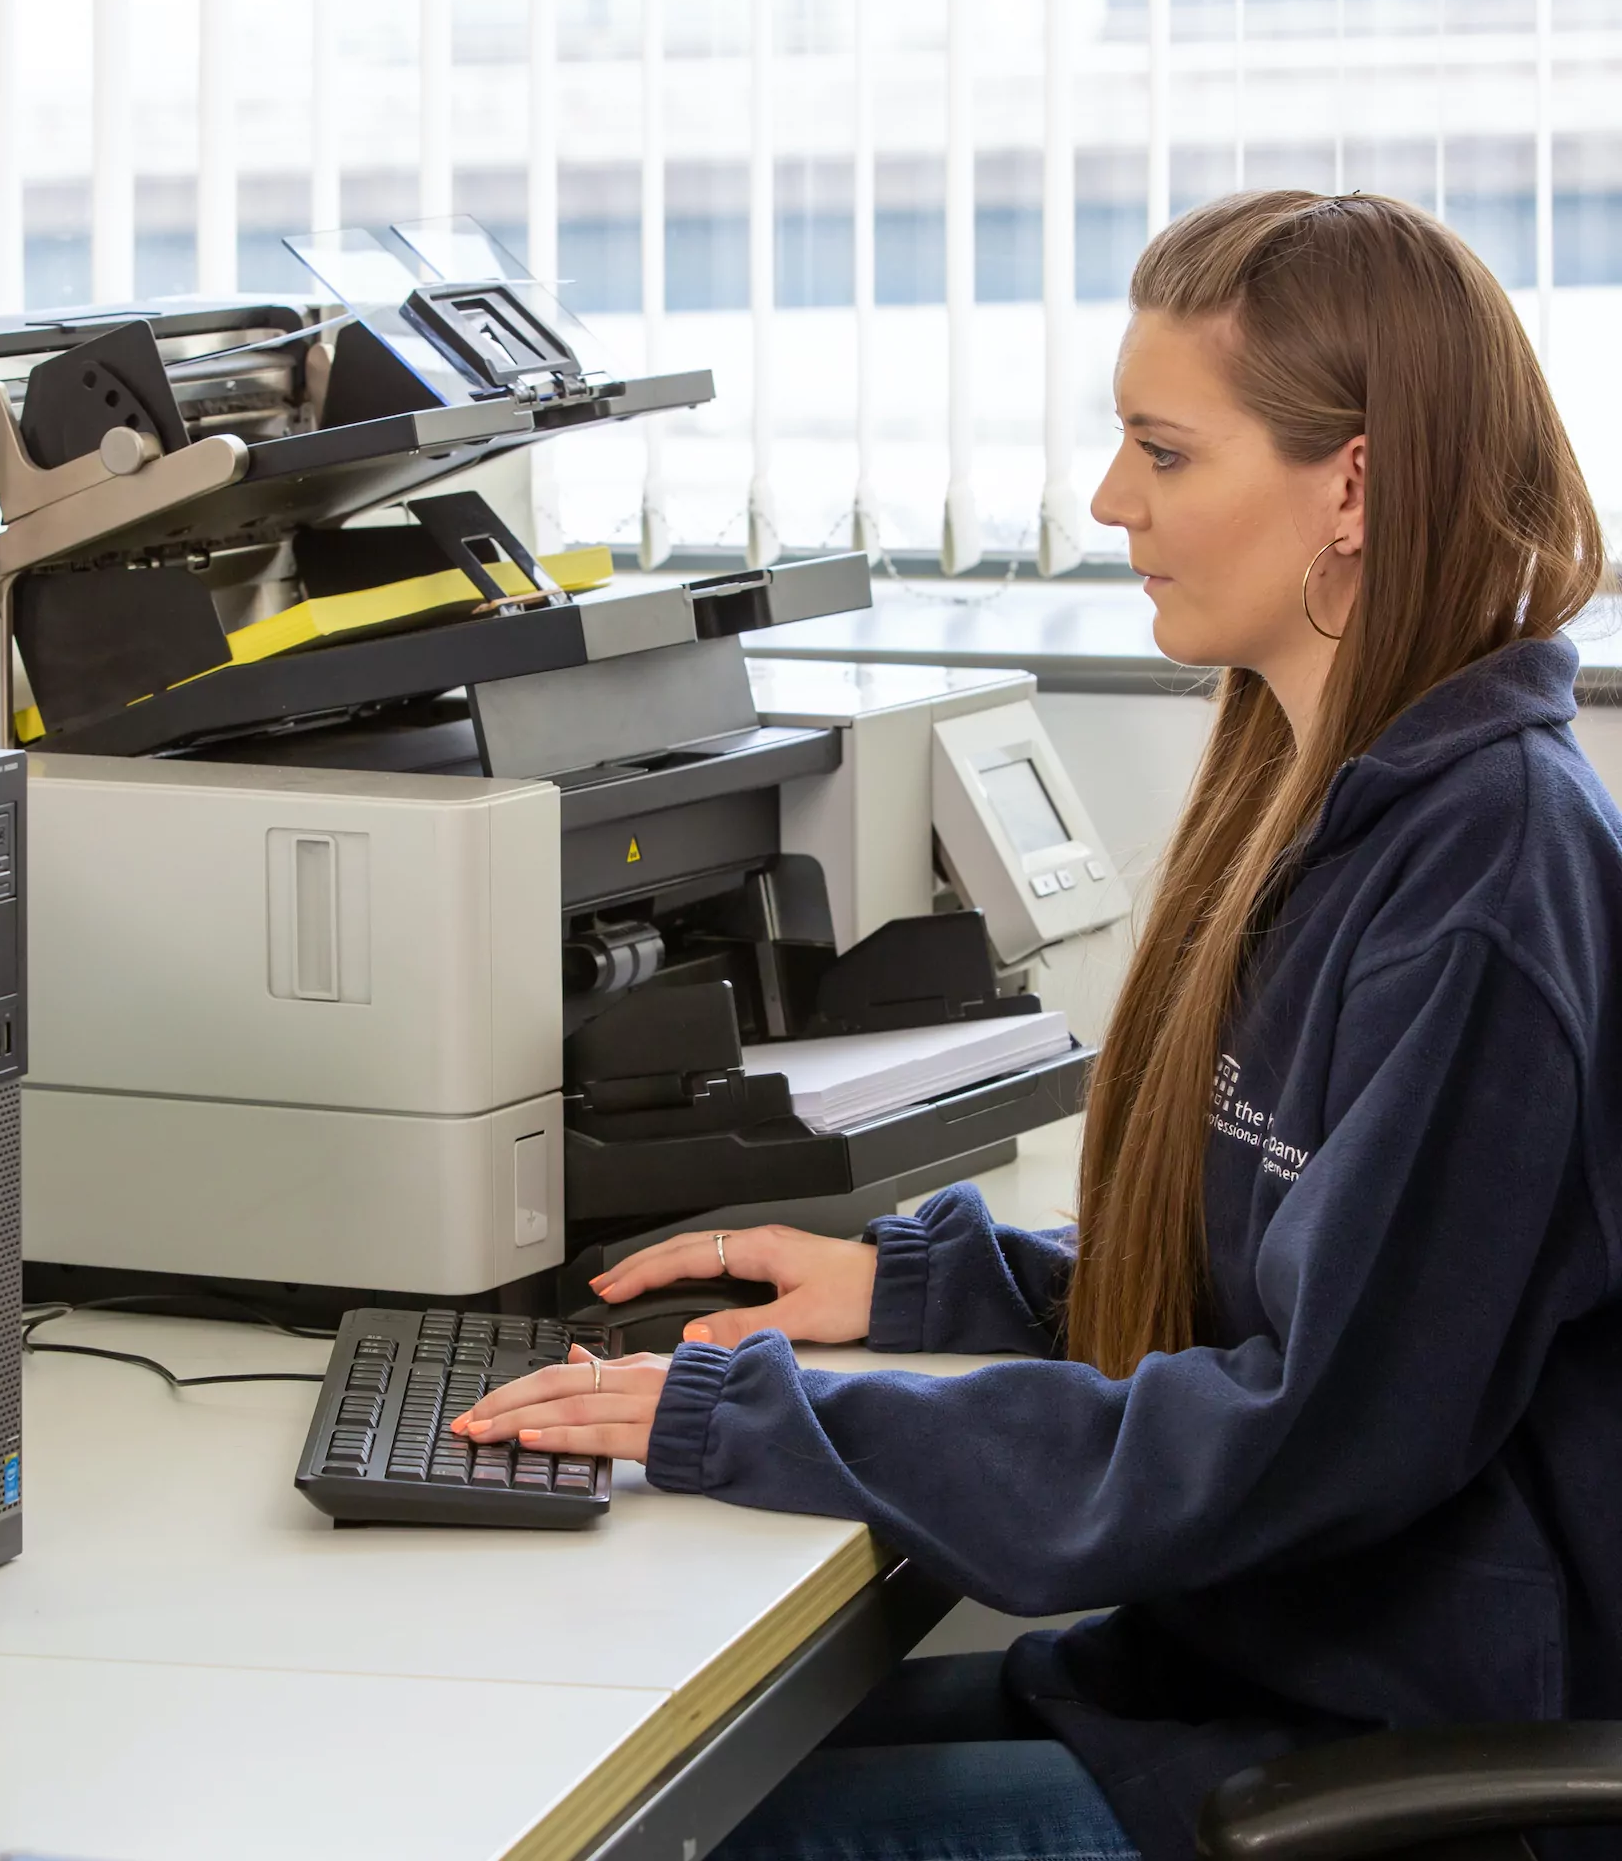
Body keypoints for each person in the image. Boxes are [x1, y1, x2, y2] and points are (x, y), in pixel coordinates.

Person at [454, 191, 1622, 1861]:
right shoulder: (1341, 796)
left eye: (1165, 452)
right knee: (593, 1783)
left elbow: (1312, 1429)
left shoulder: (1491, 875)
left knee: (683, 1838)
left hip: (1384, 1742)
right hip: (1244, 1673)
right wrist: (931, 1282)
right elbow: (1287, 1283)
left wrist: (759, 1417)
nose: (1106, 501)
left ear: (1349, 484)